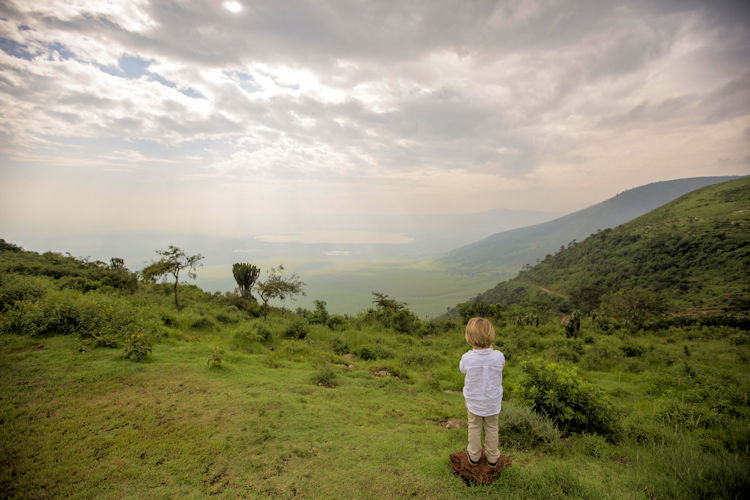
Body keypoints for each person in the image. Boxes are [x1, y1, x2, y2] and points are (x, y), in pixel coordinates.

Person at [459, 317, 505, 467]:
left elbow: (462, 369)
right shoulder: (499, 356)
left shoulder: (467, 358)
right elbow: (501, 366)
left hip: (474, 402)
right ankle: (492, 457)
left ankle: (474, 455)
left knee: (474, 426)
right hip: (492, 402)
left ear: (469, 337)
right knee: (492, 427)